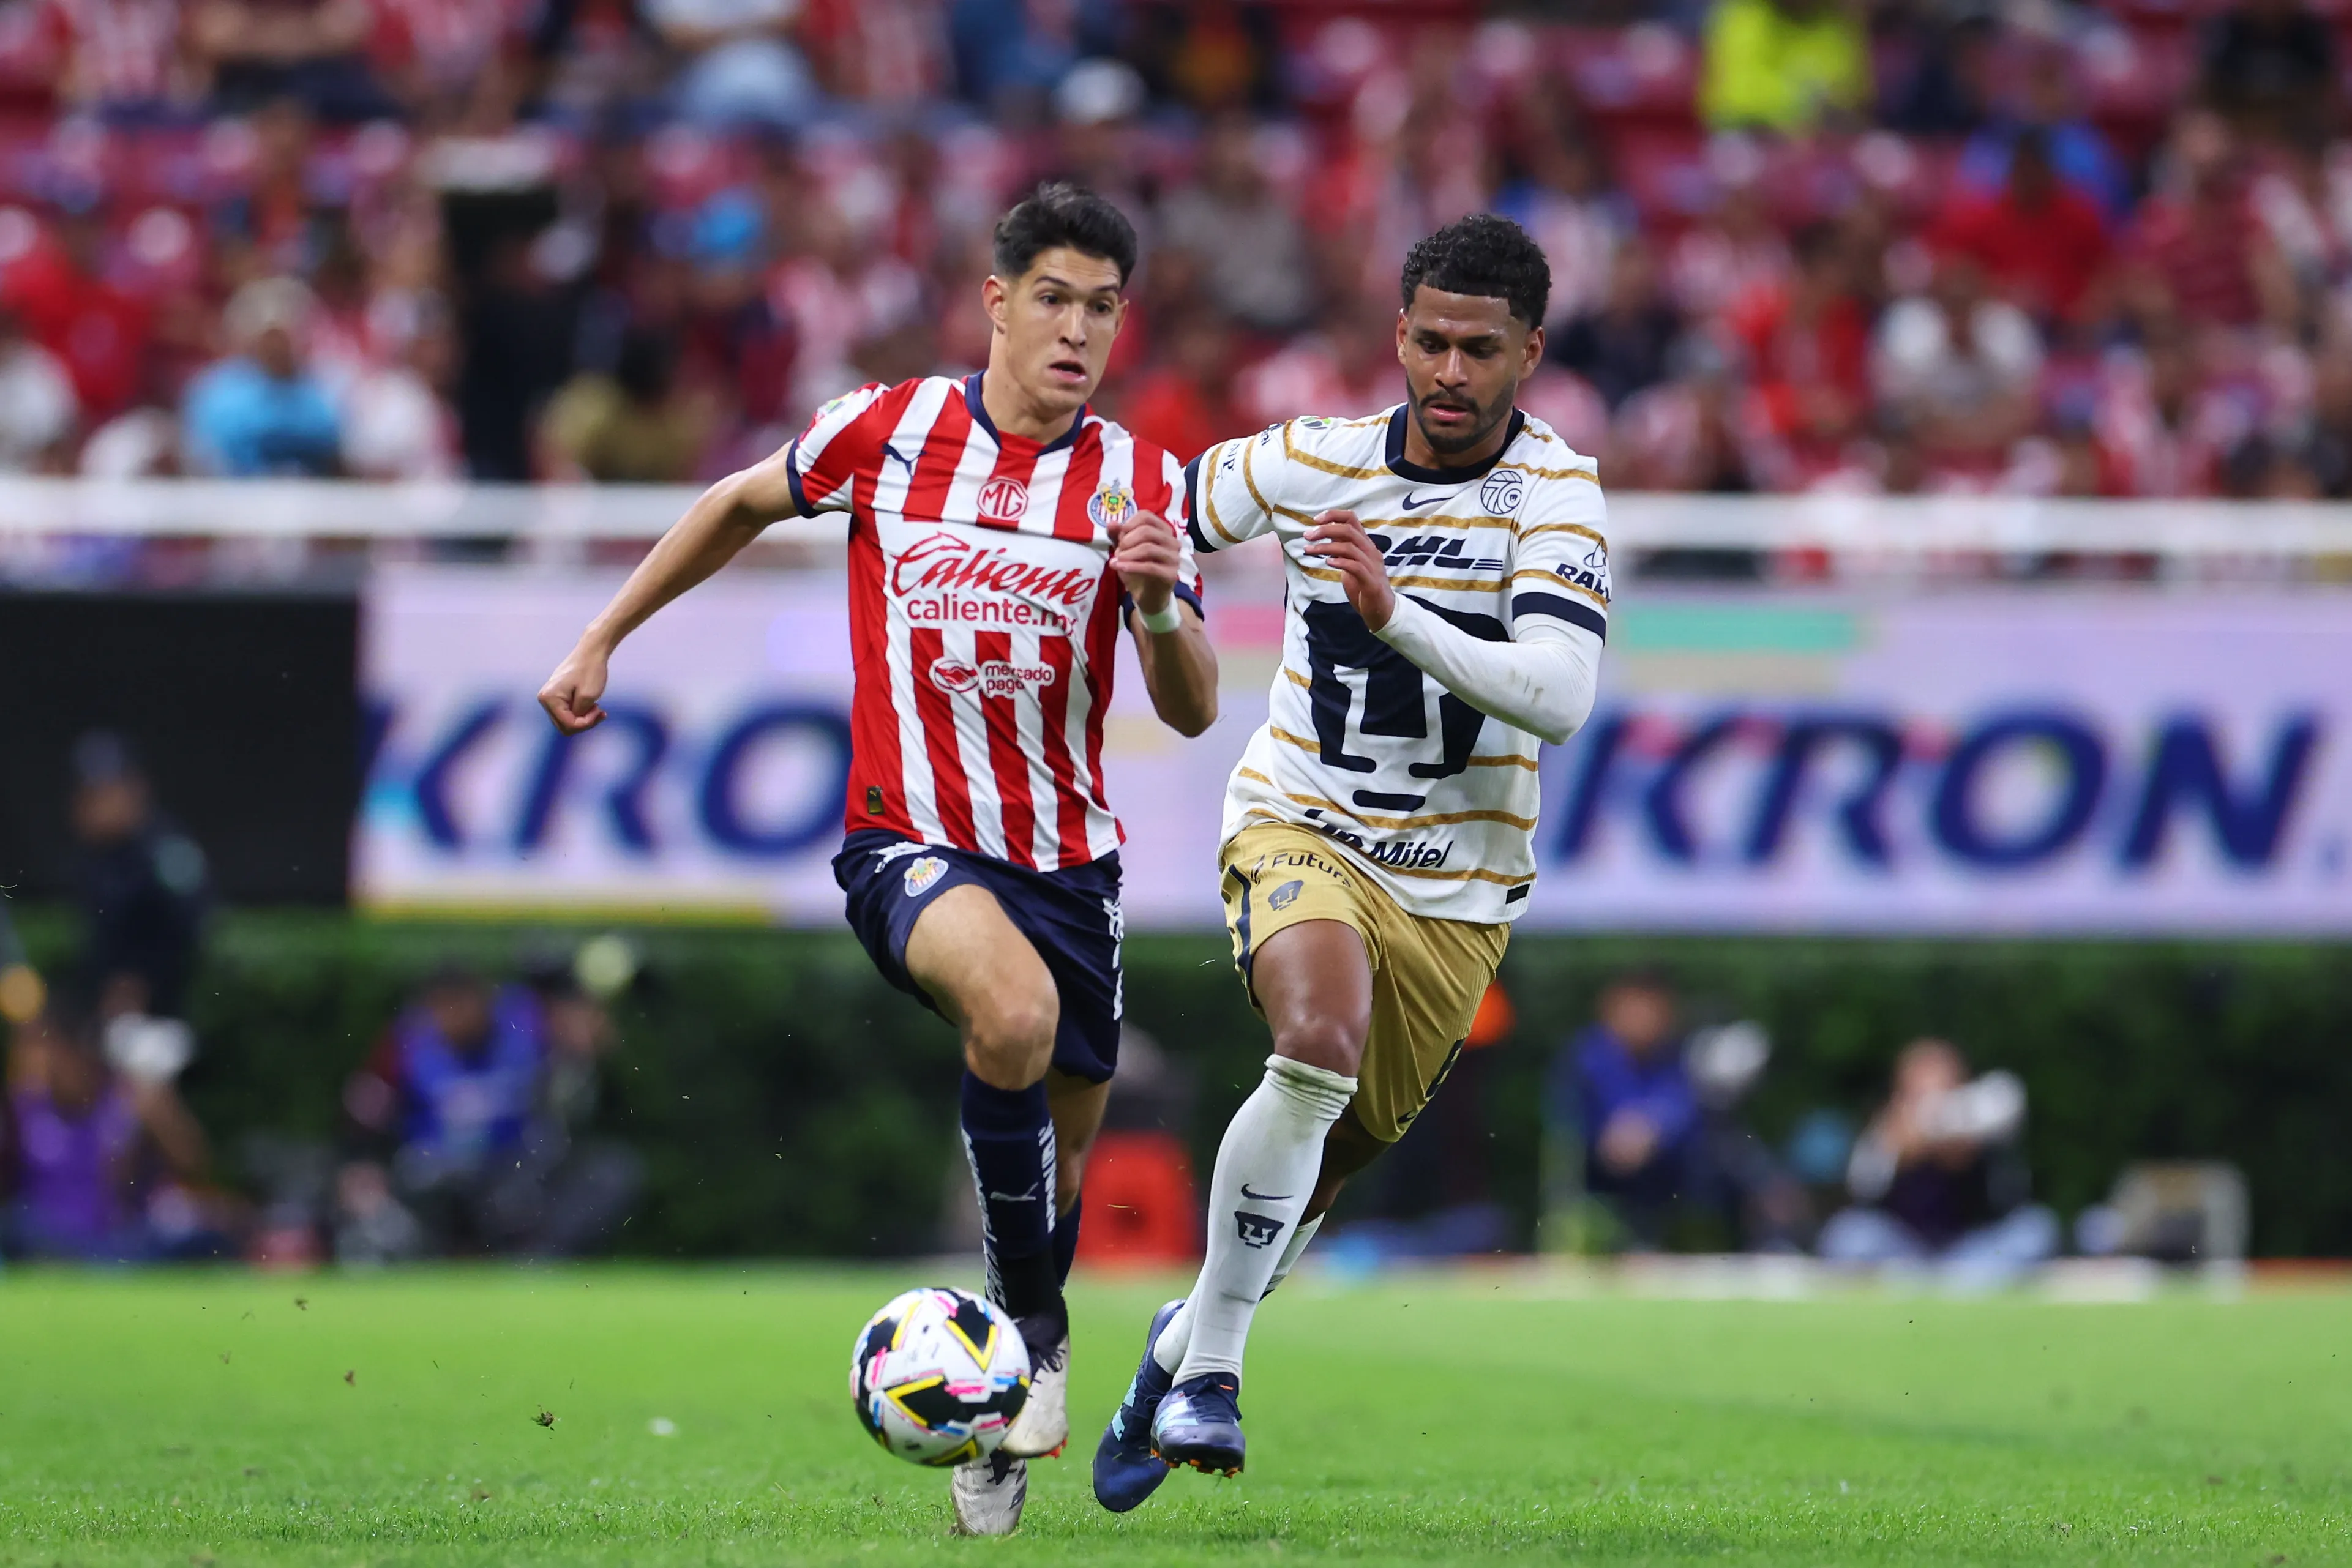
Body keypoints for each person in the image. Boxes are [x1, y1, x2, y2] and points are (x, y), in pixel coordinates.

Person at [536, 184, 1218, 1537]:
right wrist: (602, 635)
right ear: (998, 300)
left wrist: (1152, 606)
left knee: (1061, 1170)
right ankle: (1027, 1338)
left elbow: (1192, 704)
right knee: (1008, 1018)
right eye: (1054, 300)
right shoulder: (887, 429)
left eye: (1101, 307)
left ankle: (1005, 1391)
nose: (1076, 330)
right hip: (905, 835)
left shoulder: (1143, 484)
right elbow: (737, 504)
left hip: (1069, 866)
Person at [1092, 214, 1607, 1504]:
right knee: (1313, 1040)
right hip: (1299, 818)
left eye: (1477, 349)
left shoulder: (1555, 495)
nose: (1447, 371)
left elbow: (1557, 694)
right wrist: (1157, 589)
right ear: (1397, 334)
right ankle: (1212, 1372)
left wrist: (1396, 613)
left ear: (1528, 352)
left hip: (1460, 881)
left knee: (1315, 1174)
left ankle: (1178, 1334)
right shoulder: (1310, 458)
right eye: (1427, 341)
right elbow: (1157, 511)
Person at [1818, 1039, 2058, 1285]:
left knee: (2035, 1229)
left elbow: (2009, 1200)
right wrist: (1896, 1154)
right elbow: (1861, 1192)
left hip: (1970, 1250)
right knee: (1850, 1235)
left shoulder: (1981, 1125)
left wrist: (1967, 1154)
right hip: (1904, 1251)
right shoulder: (1889, 1132)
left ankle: (1956, 1282)